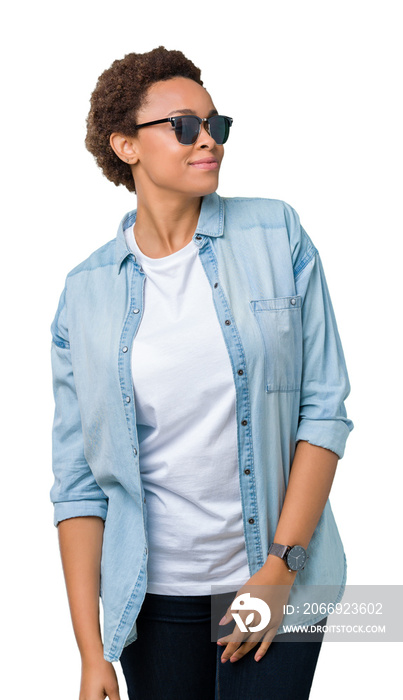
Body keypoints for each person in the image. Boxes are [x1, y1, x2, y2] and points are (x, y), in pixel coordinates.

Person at [50, 46, 354, 700]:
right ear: (126, 146)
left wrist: (280, 568)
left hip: (273, 577)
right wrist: (92, 653)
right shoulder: (86, 293)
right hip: (152, 598)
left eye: (216, 124)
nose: (208, 141)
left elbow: (324, 409)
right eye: (184, 126)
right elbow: (78, 485)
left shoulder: (276, 234)